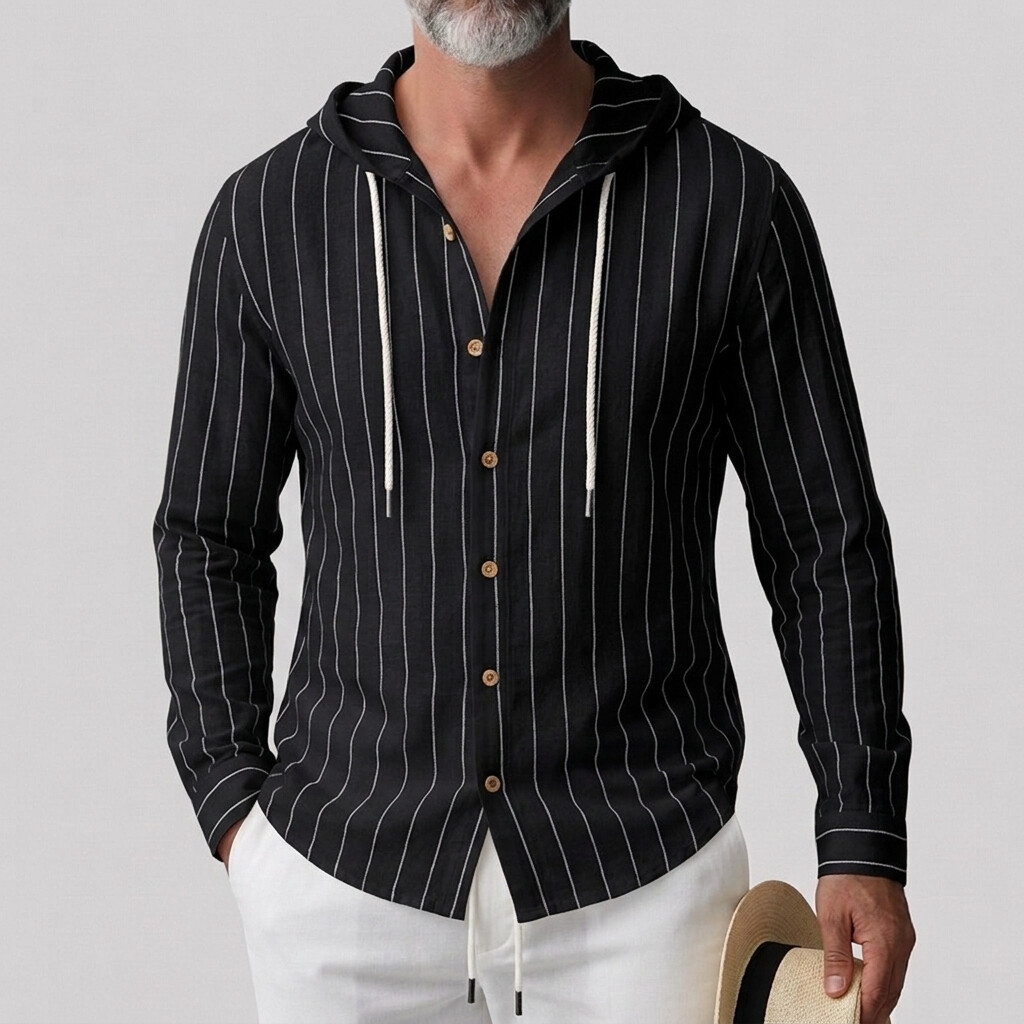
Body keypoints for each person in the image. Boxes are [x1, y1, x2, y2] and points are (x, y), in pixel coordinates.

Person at [151, 2, 916, 1022]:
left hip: (647, 884)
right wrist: (232, 805)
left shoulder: (729, 204)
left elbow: (824, 538)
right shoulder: (270, 214)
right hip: (344, 888)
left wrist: (862, 831)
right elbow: (209, 534)